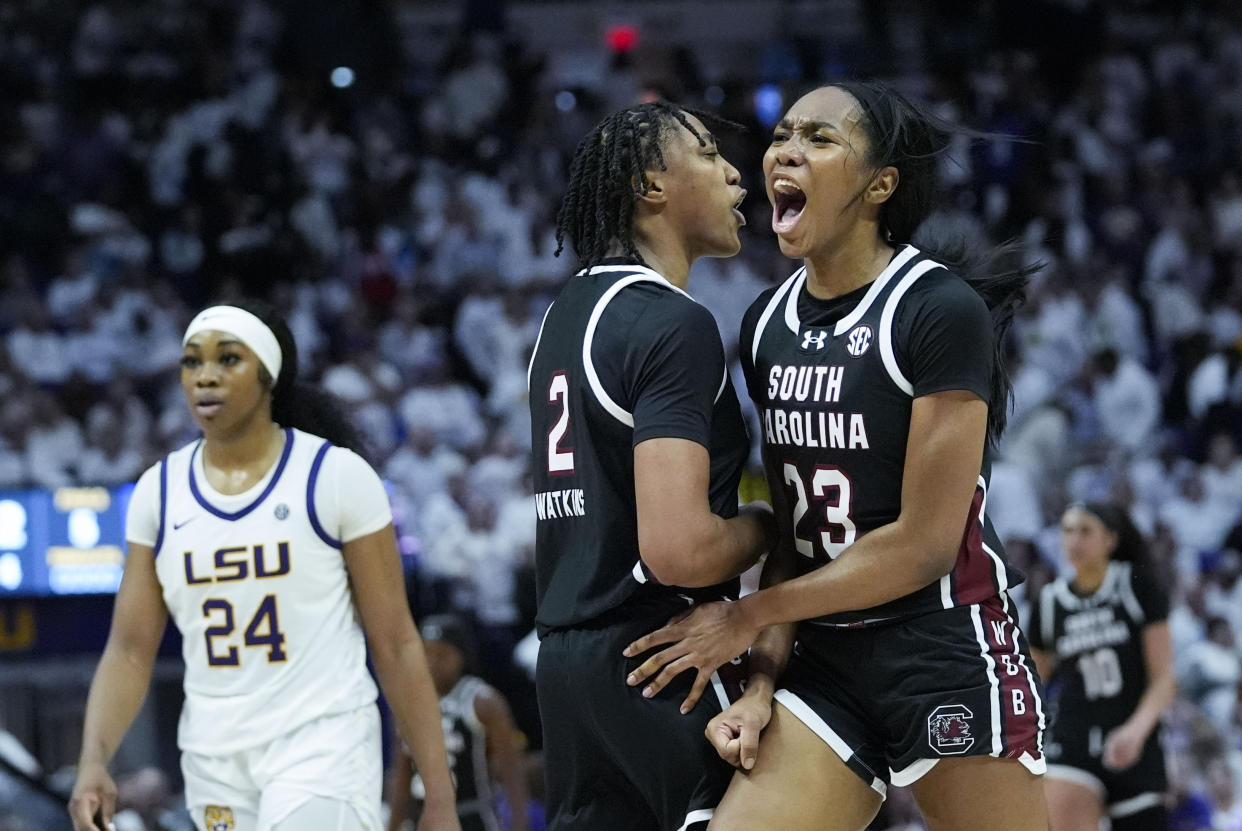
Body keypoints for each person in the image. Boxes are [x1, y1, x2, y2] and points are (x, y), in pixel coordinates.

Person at [623, 81, 1049, 830]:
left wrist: (747, 613)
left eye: (820, 139)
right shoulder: (765, 324)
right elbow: (796, 532)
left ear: (881, 185)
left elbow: (921, 546)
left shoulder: (938, 310)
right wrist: (761, 682)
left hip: (939, 642)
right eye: (784, 134)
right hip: (824, 657)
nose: (786, 149)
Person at [68, 301, 460, 831]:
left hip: (323, 745)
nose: (205, 376)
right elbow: (130, 650)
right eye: (192, 361)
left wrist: (438, 795)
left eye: (227, 359)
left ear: (268, 377)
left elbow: (395, 642)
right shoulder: (158, 493)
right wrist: (94, 761)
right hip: (213, 757)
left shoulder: (335, 476)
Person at [526, 100, 779, 831]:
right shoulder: (672, 324)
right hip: (659, 655)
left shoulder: (563, 315)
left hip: (567, 666)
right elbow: (679, 549)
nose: (736, 173)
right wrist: (767, 524)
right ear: (649, 185)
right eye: (706, 154)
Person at [1029, 502, 1176, 831]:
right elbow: (1030, 684)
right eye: (1067, 531)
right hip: (1072, 741)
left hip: (1135, 741)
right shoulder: (1050, 602)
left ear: (1110, 539)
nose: (1074, 541)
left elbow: (1165, 679)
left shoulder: (1138, 588)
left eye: (1085, 531)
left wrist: (1135, 732)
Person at [386, 613, 530, 831]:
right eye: (426, 652)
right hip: (422, 820)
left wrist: (520, 822)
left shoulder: (483, 702)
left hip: (471, 817)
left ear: (461, 656)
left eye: (442, 654)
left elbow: (512, 771)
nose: (432, 661)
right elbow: (401, 780)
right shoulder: (408, 704)